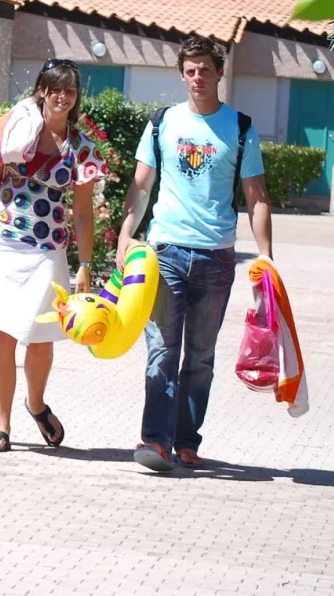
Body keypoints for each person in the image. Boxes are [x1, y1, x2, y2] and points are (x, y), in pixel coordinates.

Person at [116, 36, 274, 473]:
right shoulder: (162, 122)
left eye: (205, 68)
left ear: (219, 72)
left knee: (200, 356)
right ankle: (156, 441)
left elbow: (257, 195)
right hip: (165, 250)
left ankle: (187, 442)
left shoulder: (240, 128)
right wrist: (126, 235)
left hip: (217, 257)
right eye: (190, 70)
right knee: (162, 350)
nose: (198, 77)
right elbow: (142, 185)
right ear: (182, 75)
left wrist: (266, 257)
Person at [0, 59, 107, 453]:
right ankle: (1, 426)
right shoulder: (15, 133)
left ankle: (36, 403)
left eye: (70, 91)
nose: (62, 97)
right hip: (2, 239)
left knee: (41, 338)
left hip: (47, 249)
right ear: (42, 91)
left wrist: (84, 264)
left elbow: (82, 211)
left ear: (76, 97)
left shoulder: (81, 148)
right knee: (3, 334)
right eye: (54, 89)